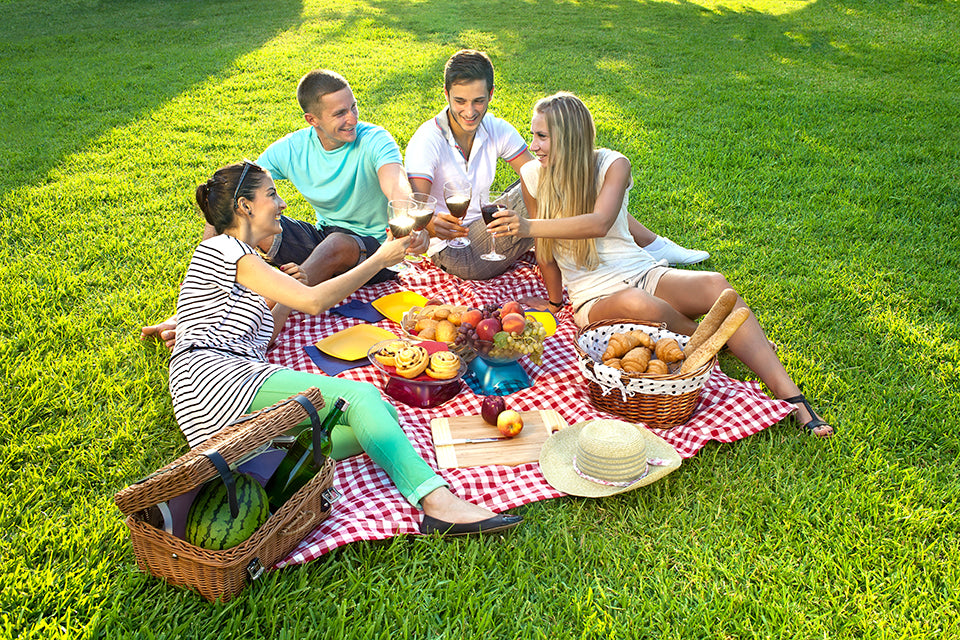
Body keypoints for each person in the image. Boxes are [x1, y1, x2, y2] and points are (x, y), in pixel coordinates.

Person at [169, 160, 522, 535]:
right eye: (271, 194)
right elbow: (317, 302)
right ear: (245, 206)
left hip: (215, 401)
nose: (282, 204)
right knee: (360, 398)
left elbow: (265, 334)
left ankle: (267, 465)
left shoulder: (247, 259)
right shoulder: (226, 249)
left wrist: (287, 296)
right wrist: (378, 259)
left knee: (380, 412)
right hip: (215, 380)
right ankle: (436, 501)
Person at [491, 92, 833, 437]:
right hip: (594, 296)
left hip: (641, 270)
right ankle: (720, 341)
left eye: (542, 136)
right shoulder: (534, 175)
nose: (533, 145)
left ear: (570, 136)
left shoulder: (612, 164)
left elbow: (599, 222)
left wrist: (527, 225)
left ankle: (795, 400)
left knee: (716, 284)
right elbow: (545, 248)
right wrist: (553, 302)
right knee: (638, 304)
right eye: (533, 134)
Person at [142, 69, 426, 347]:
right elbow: (232, 195)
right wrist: (207, 278)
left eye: (353, 107)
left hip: (376, 251)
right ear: (312, 119)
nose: (352, 118)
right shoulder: (292, 148)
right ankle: (198, 314)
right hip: (323, 238)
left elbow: (396, 185)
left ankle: (269, 321)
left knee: (337, 243)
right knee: (246, 220)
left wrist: (406, 223)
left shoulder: (375, 139)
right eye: (340, 113)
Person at [404, 49, 707, 280]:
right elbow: (417, 209)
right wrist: (431, 223)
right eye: (460, 101)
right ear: (446, 95)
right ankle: (644, 248)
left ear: (491, 94)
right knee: (536, 183)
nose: (470, 112)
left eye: (478, 101)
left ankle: (640, 247)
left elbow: (550, 173)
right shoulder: (427, 140)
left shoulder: (494, 128)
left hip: (488, 235)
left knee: (548, 176)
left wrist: (596, 169)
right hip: (457, 252)